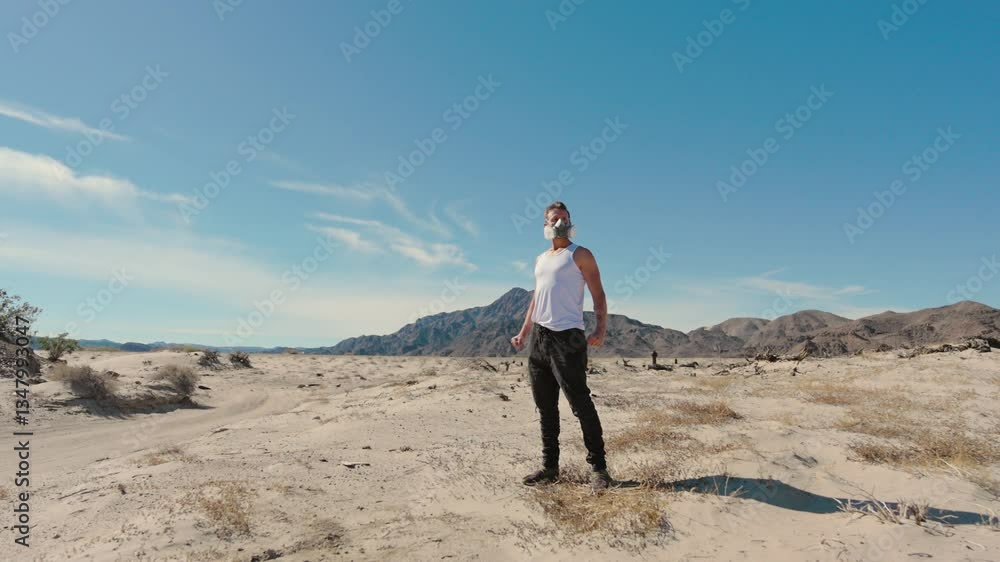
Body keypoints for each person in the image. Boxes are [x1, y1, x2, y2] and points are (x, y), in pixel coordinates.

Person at [510, 201, 612, 492]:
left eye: (565, 218)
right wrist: (523, 332)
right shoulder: (540, 259)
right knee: (545, 406)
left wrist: (600, 329)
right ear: (545, 224)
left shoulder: (580, 255)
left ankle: (599, 469)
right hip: (539, 339)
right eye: (555, 218)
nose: (560, 223)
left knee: (580, 403)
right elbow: (536, 299)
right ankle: (550, 467)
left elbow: (598, 294)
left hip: (568, 338)